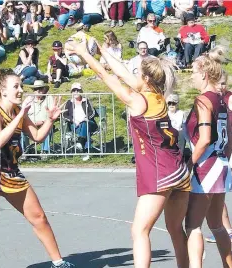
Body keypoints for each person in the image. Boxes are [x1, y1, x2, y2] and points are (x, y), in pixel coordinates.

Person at [67, 36, 191, 268]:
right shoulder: (157, 95)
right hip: (178, 170)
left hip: (160, 173)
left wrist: (85, 54)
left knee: (139, 231)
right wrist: (103, 50)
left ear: (144, 78)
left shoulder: (138, 101)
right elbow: (123, 73)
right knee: (176, 230)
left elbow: (108, 78)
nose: (133, 75)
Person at [0, 68, 75, 268]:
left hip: (11, 172)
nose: (20, 90)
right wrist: (22, 114)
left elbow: (37, 136)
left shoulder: (18, 112)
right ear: (3, 90)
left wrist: (50, 120)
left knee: (39, 217)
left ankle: (58, 263)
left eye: (21, 86)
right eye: (15, 87)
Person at [184, 47, 232, 268]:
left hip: (207, 163)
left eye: (193, 72)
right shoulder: (222, 99)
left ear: (203, 73)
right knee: (217, 225)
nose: (192, 77)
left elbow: (203, 139)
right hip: (221, 163)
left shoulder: (204, 99)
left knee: (193, 225)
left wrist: (188, 163)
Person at [205, 70, 232, 244]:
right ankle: (226, 229)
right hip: (222, 151)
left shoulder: (229, 98)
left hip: (228, 149)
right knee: (218, 191)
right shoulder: (215, 100)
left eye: (224, 83)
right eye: (219, 83)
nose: (222, 87)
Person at [63, 82, 98, 161]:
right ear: (71, 92)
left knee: (85, 124)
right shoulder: (69, 102)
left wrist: (86, 118)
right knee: (86, 131)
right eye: (74, 90)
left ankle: (80, 143)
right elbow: (65, 115)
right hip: (74, 125)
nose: (76, 92)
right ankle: (85, 151)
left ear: (81, 91)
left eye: (77, 90)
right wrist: (73, 120)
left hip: (88, 123)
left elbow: (92, 112)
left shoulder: (86, 101)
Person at [23, 80, 55, 155]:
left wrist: (43, 122)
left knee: (48, 128)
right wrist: (30, 123)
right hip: (30, 125)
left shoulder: (49, 98)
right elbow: (22, 113)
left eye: (40, 88)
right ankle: (25, 152)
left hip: (44, 123)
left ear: (44, 89)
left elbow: (52, 114)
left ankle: (45, 152)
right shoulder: (28, 99)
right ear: (33, 91)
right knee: (22, 130)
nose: (38, 91)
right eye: (35, 89)